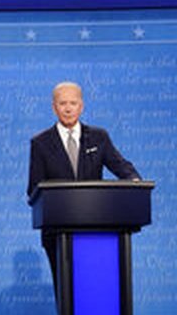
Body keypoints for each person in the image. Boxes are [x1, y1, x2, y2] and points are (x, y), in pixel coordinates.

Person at [26, 81, 140, 285]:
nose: (68, 108)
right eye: (63, 103)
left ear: (81, 106)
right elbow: (34, 189)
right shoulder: (40, 143)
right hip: (57, 232)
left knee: (94, 287)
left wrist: (135, 181)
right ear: (54, 107)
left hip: (95, 230)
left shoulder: (98, 137)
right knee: (65, 290)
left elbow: (121, 166)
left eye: (73, 103)